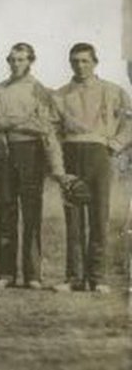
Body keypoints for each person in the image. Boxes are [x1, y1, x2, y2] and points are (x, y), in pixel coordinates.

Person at [0, 42, 64, 290]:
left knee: (31, 214)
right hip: (5, 151)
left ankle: (33, 275)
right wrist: (22, 122)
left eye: (21, 60)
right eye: (12, 60)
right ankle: (5, 273)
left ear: (30, 61)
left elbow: (43, 125)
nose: (16, 64)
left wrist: (12, 123)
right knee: (6, 212)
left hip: (32, 153)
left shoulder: (41, 91)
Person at [50, 43, 132, 294]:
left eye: (85, 61)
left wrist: (114, 145)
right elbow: (52, 134)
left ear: (95, 62)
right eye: (75, 61)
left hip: (100, 154)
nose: (80, 66)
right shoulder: (60, 95)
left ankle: (98, 277)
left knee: (99, 217)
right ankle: (74, 277)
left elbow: (129, 123)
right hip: (71, 153)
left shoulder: (113, 91)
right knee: (73, 219)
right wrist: (59, 169)